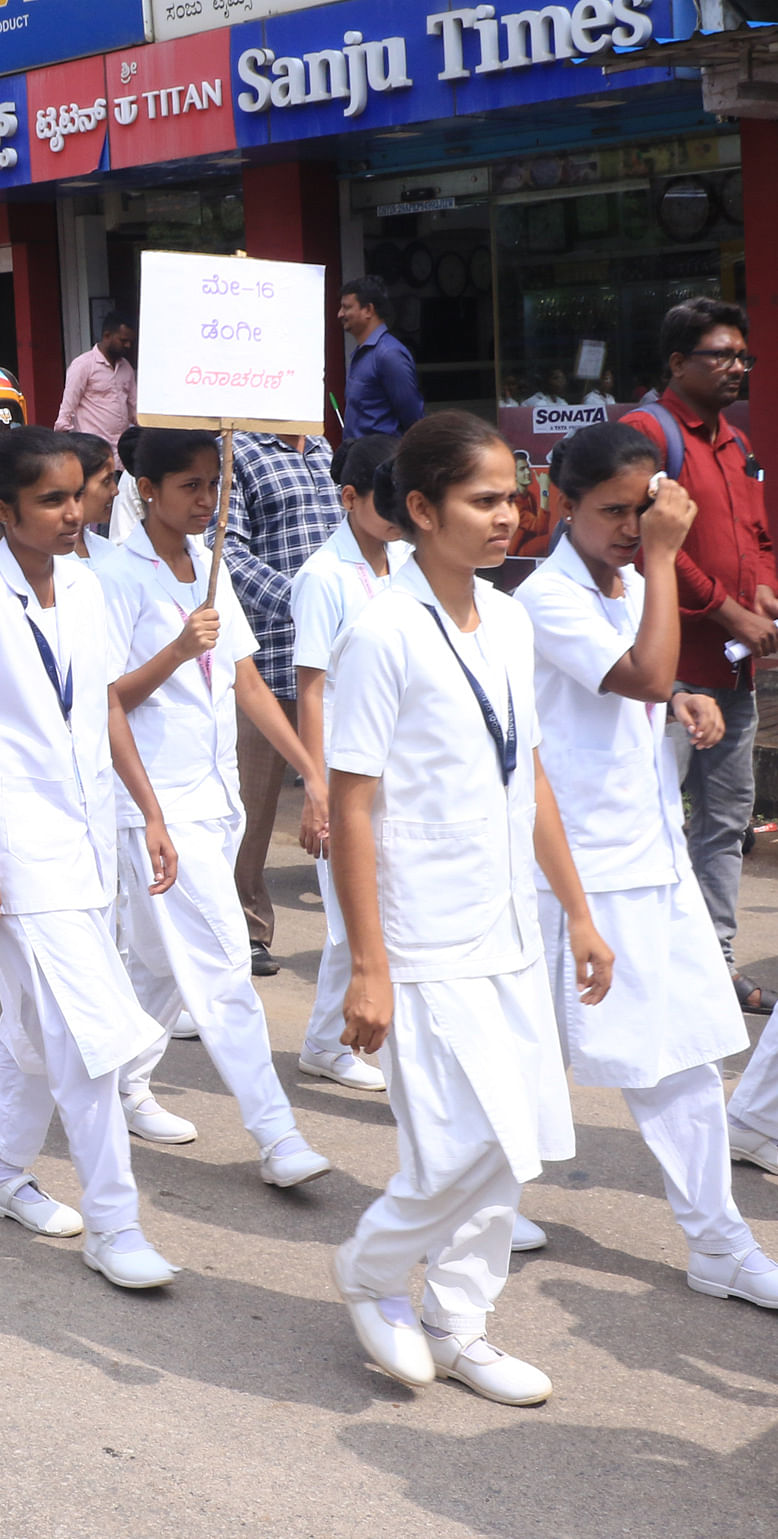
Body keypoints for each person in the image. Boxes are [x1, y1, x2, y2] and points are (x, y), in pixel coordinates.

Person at [327, 412, 609, 1404]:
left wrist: (574, 908)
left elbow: (524, 767)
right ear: (419, 509)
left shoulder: (512, 616)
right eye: (483, 499)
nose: (508, 515)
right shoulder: (380, 631)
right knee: (458, 1139)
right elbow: (350, 800)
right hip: (418, 930)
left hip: (505, 923)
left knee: (515, 1136)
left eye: (510, 496)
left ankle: (458, 1316)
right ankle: (368, 1268)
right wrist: (366, 964)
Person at [518, 421, 776, 1309]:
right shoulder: (545, 598)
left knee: (685, 1058)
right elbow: (642, 665)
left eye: (645, 510)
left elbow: (651, 677)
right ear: (561, 503)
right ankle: (465, 1201)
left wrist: (681, 698)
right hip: (581, 864)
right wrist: (667, 572)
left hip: (649, 847)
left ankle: (717, 1243)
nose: (632, 528)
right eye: (612, 512)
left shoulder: (622, 582)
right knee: (530, 1049)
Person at [0, 426, 183, 1289]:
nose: (73, 512)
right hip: (17, 847)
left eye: (78, 494)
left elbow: (108, 704)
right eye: (50, 499)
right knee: (88, 1039)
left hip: (87, 840)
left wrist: (147, 809)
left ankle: (4, 1175)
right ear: (2, 511)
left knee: (37, 1029)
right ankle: (116, 1226)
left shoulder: (82, 585)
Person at [96, 428, 335, 1185]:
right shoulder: (112, 576)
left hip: (214, 795)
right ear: (147, 490)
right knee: (227, 965)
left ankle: (115, 1083)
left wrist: (312, 770)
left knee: (164, 969)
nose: (207, 502)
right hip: (154, 804)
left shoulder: (209, 565)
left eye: (213, 485)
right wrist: (173, 648)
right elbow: (106, 703)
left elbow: (248, 682)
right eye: (190, 487)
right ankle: (277, 1134)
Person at [620, 298, 777, 1013]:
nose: (738, 367)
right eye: (723, 355)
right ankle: (646, 965)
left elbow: (758, 538)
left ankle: (711, 967)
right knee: (651, 820)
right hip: (670, 671)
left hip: (735, 671)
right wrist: (728, 605)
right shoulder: (647, 434)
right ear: (678, 362)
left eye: (743, 356)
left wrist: (766, 592)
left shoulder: (735, 442)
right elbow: (652, 543)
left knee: (723, 826)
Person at [287, 435, 404, 1096]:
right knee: (350, 913)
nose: (396, 513)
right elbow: (310, 686)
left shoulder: (408, 560)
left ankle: (324, 1044)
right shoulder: (323, 576)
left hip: (394, 761)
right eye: (381, 499)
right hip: (342, 762)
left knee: (372, 910)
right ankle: (333, 1043)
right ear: (349, 497)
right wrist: (314, 785)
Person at [221, 425, 337, 976]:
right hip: (269, 656)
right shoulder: (239, 451)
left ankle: (355, 925)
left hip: (338, 656)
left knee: (345, 794)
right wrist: (304, 603)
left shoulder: (324, 449)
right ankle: (242, 930)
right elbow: (230, 554)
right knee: (252, 805)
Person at [339, 276, 424, 438]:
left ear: (368, 310)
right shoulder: (362, 353)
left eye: (346, 307)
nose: (340, 314)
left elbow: (413, 420)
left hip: (382, 459)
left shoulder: (389, 355)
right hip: (358, 458)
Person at [53, 311, 138, 450]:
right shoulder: (83, 365)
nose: (128, 346)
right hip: (92, 451)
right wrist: (63, 446)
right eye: (123, 341)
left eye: (130, 342)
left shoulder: (126, 367)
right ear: (107, 336)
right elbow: (67, 408)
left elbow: (134, 409)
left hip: (120, 452)